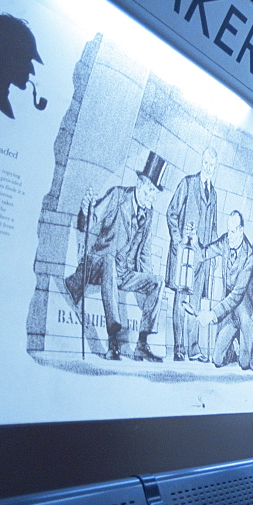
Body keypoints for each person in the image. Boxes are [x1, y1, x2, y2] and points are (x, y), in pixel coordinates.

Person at [65, 151, 166, 362]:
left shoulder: (149, 214)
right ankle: (113, 340)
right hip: (98, 264)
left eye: (155, 194)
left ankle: (142, 344)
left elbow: (145, 252)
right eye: (149, 191)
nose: (151, 197)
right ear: (139, 184)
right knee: (109, 258)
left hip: (123, 272)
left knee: (157, 282)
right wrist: (84, 211)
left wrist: (145, 284)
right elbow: (90, 221)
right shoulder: (117, 196)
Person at [165, 147, 218, 362]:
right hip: (185, 254)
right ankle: (179, 347)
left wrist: (212, 255)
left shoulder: (213, 193)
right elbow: (171, 213)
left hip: (202, 257)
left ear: (214, 168)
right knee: (181, 300)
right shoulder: (187, 183)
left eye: (211, 164)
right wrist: (178, 242)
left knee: (195, 304)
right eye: (205, 162)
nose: (208, 166)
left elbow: (214, 226)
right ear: (201, 162)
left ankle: (193, 347)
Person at [193, 210, 253, 371]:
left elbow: (237, 295)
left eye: (232, 232)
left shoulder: (250, 256)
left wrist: (212, 314)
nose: (228, 235)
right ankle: (233, 344)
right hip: (229, 311)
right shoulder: (225, 241)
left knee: (245, 364)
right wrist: (196, 242)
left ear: (241, 231)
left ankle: (249, 347)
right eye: (228, 231)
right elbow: (204, 254)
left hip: (244, 309)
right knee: (217, 359)